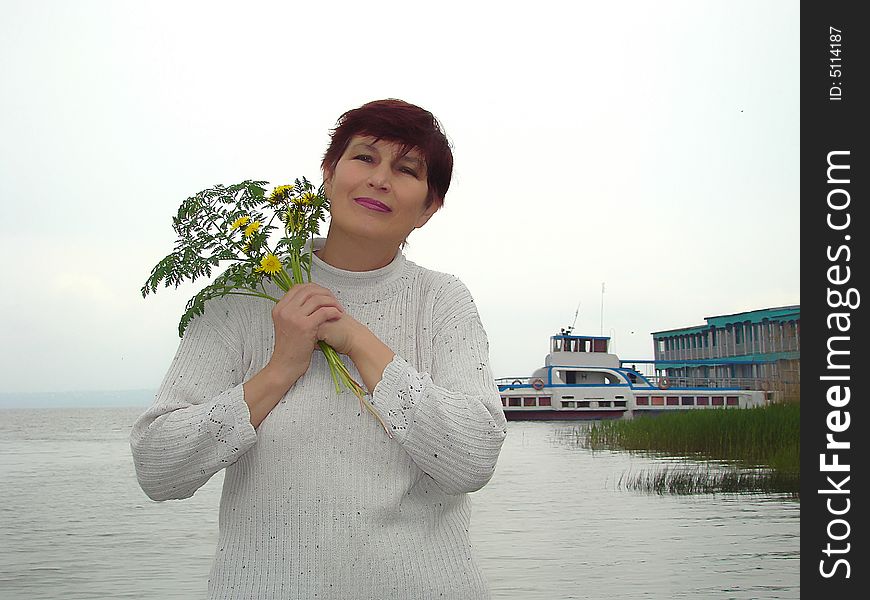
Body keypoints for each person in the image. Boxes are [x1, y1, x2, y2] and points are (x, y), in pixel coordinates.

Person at [130, 99, 508, 599]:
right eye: (364, 158)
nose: (380, 179)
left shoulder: (441, 302)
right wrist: (279, 370)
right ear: (328, 174)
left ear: (428, 207)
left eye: (406, 169)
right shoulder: (246, 296)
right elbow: (159, 468)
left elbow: (473, 458)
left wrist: (357, 340)